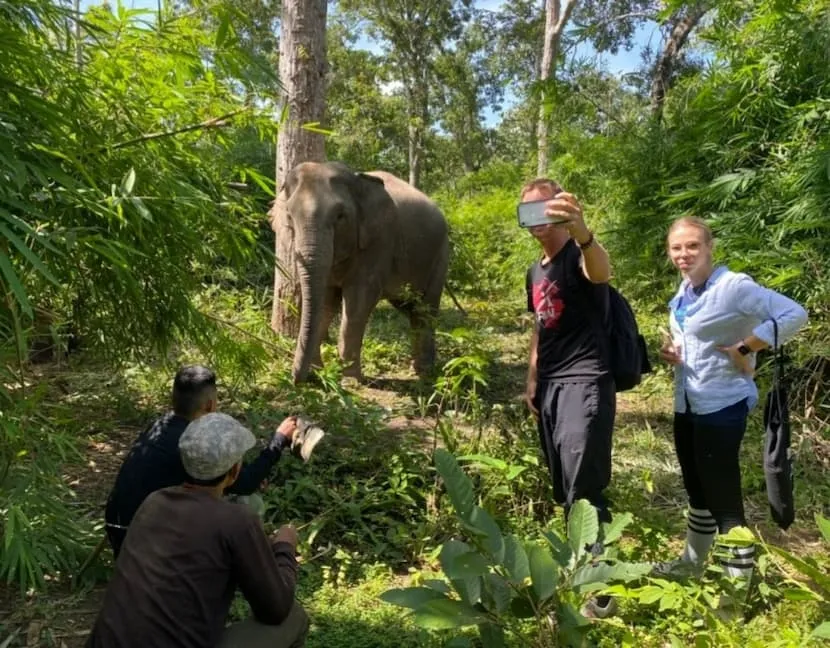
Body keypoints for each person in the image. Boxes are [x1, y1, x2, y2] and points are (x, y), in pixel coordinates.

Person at [659, 216, 807, 588]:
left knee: (723, 497)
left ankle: (736, 589)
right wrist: (676, 351)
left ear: (710, 247)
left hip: (722, 405)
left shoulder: (733, 287)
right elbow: (698, 338)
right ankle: (691, 565)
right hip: (688, 402)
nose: (684, 254)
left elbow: (794, 314)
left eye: (692, 246)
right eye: (676, 248)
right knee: (697, 490)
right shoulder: (685, 291)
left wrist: (747, 346)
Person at [86, 412, 308, 648]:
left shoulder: (154, 502)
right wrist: (284, 547)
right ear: (234, 472)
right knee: (294, 618)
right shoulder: (237, 521)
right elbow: (275, 609)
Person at [521, 178, 616, 618]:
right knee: (564, 483)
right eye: (529, 213)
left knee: (584, 484)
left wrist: (584, 231)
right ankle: (580, 564)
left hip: (585, 380)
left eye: (545, 210)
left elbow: (602, 273)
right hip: (553, 386)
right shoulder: (535, 270)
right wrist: (532, 379)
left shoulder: (579, 255)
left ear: (560, 210)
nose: (538, 221)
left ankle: (600, 587)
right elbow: (541, 326)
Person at [104, 365, 298, 557]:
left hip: (118, 527)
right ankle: (247, 558)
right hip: (148, 543)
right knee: (249, 503)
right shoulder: (194, 441)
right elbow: (244, 484)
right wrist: (278, 440)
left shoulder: (159, 426)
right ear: (209, 405)